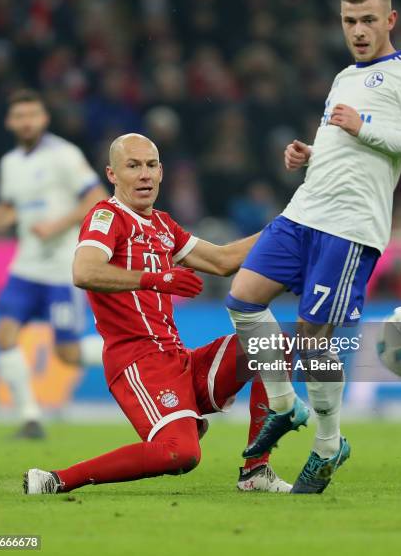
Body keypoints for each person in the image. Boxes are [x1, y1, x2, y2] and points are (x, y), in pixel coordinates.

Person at [226, 0, 401, 493]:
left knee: (312, 342)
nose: (359, 31)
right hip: (304, 210)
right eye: (350, 21)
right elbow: (342, 144)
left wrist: (363, 126)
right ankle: (284, 406)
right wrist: (307, 156)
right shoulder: (344, 76)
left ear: (390, 21)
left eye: (369, 20)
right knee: (243, 299)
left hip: (348, 227)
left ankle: (328, 444)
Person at [23, 133, 290, 494]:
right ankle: (56, 479)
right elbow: (84, 271)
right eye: (133, 166)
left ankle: (256, 470)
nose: (144, 175)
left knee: (270, 346)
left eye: (150, 165)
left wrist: (289, 227)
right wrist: (156, 278)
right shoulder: (106, 216)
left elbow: (223, 260)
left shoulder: (163, 226)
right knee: (181, 454)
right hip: (137, 362)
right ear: (112, 174)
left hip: (177, 359)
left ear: (162, 171)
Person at [0, 89, 107, 438]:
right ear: (10, 122)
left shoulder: (64, 154)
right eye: (20, 116)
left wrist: (56, 225)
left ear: (44, 118)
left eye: (33, 114)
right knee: (4, 334)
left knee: (68, 354)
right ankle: (30, 418)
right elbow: (9, 209)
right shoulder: (10, 163)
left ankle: (139, 352)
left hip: (62, 270)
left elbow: (97, 198)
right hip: (26, 268)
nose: (26, 121)